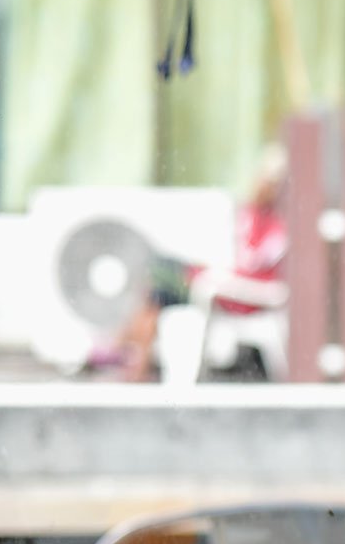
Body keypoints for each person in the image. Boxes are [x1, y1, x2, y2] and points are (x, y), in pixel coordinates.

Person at [119, 146, 289, 381]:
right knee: (158, 283)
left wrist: (211, 275)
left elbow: (252, 267)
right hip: (224, 284)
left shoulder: (275, 226)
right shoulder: (254, 216)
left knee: (159, 282)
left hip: (237, 296)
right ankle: (131, 358)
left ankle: (127, 359)